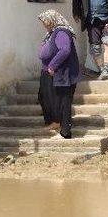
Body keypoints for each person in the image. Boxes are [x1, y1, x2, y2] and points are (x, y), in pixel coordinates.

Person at [37, 10, 80, 139]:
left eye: (46, 22)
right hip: (51, 72)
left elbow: (65, 50)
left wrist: (52, 65)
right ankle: (55, 122)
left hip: (62, 73)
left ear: (52, 20)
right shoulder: (52, 33)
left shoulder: (61, 32)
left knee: (63, 101)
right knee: (45, 97)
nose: (44, 24)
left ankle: (65, 130)